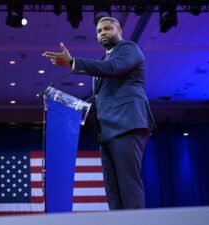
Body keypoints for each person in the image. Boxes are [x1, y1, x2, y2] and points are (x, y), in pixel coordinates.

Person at [42, 16, 156, 210]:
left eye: (107, 29)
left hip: (127, 125)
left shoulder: (128, 49)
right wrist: (68, 106)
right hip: (107, 131)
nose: (102, 33)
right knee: (113, 191)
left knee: (128, 186)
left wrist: (72, 62)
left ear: (120, 31)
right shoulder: (106, 59)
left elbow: (113, 68)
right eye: (99, 31)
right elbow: (99, 98)